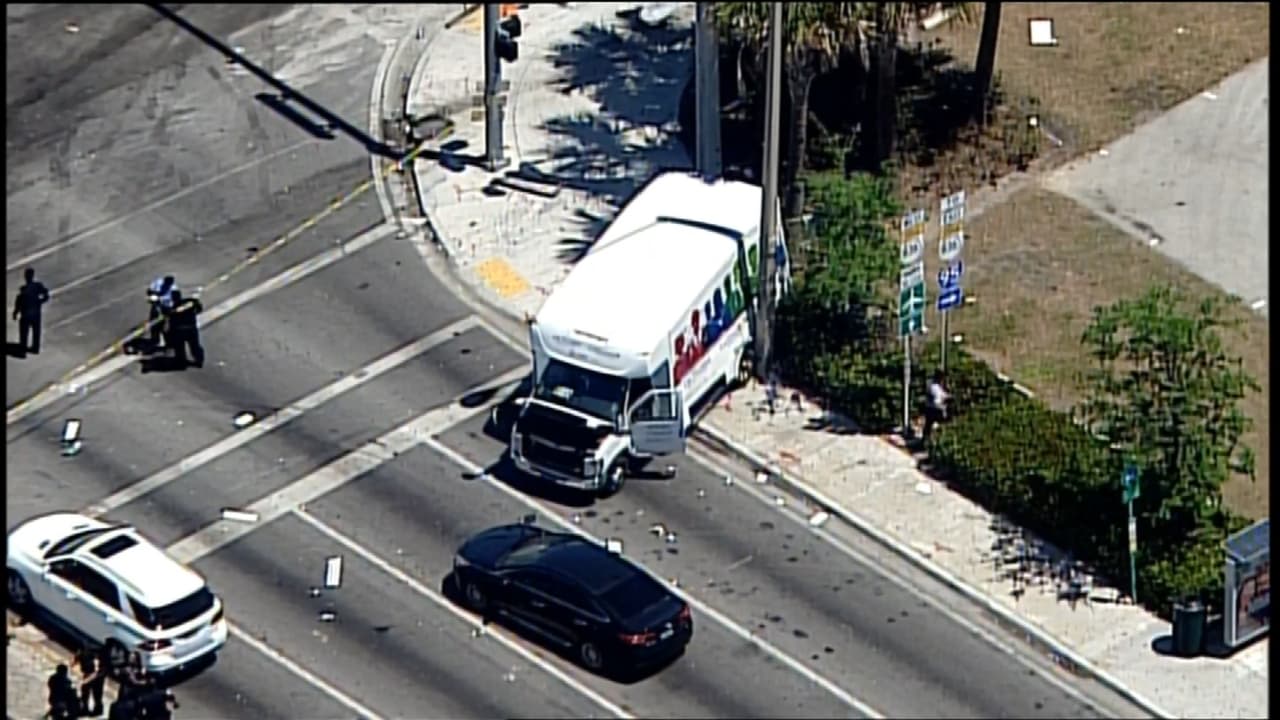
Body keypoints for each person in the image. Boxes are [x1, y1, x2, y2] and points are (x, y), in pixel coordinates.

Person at [13, 267, 50, 355]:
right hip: (33, 312)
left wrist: (16, 312)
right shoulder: (34, 286)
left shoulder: (28, 288)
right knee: (34, 330)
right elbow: (46, 295)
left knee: (26, 330)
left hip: (28, 313)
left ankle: (25, 347)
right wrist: (40, 301)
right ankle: (33, 347)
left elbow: (19, 301)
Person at [164, 290, 204, 368]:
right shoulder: (190, 302)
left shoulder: (171, 309)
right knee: (194, 346)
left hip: (180, 331)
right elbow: (199, 309)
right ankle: (198, 360)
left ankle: (181, 361)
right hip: (191, 329)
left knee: (180, 348)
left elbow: (170, 322)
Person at [146, 275, 178, 350]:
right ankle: (155, 340)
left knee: (166, 326)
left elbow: (176, 300)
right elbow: (149, 291)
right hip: (156, 306)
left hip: (166, 308)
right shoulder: (158, 283)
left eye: (169, 283)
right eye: (166, 282)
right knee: (154, 323)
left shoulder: (174, 289)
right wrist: (152, 295)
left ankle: (169, 342)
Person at [76, 645, 109, 717]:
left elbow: (96, 673)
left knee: (97, 694)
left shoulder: (95, 660)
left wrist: (85, 681)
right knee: (85, 693)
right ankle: (85, 709)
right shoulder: (81, 655)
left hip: (98, 677)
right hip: (89, 674)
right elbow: (74, 663)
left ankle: (98, 710)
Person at [922, 370, 950, 443]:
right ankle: (931, 440)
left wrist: (945, 395)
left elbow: (941, 394)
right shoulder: (934, 386)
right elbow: (937, 399)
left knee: (928, 425)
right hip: (935, 409)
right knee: (935, 424)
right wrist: (945, 399)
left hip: (930, 408)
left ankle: (926, 440)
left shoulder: (931, 383)